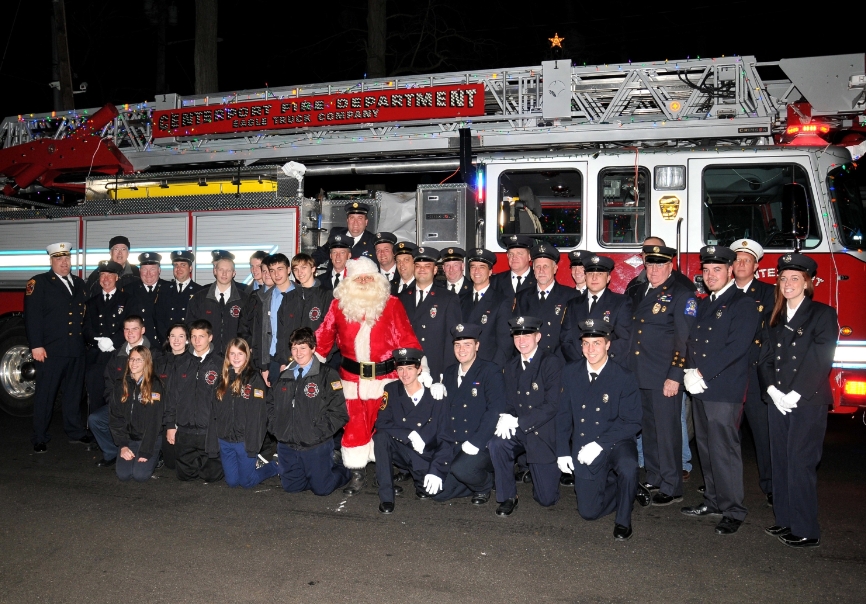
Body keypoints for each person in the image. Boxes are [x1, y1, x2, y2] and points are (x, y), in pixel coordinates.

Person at [315, 257, 423, 495]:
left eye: (368, 277)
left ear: (377, 280)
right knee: (353, 426)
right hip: (351, 380)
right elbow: (323, 337)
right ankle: (356, 473)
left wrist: (419, 369)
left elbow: (405, 336)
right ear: (349, 281)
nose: (364, 282)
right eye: (358, 278)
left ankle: (385, 473)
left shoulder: (392, 304)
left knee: (383, 427)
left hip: (385, 379)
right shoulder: (338, 305)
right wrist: (307, 365)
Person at [681, 245, 760, 536]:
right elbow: (693, 342)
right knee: (705, 447)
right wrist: (689, 370)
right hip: (701, 386)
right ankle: (713, 500)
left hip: (722, 389)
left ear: (730, 271)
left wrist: (701, 372)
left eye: (717, 270)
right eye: (706, 270)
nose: (710, 275)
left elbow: (736, 348)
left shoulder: (743, 304)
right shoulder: (705, 303)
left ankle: (733, 509)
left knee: (724, 450)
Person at [759, 253, 836, 548]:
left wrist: (796, 393)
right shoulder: (773, 318)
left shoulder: (822, 314)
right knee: (780, 461)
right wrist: (773, 392)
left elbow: (821, 357)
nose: (788, 283)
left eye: (795, 278)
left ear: (808, 282)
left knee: (801, 463)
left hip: (807, 401)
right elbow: (764, 359)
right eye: (783, 278)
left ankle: (806, 529)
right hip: (778, 401)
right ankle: (785, 520)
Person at [556, 320, 650, 541]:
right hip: (584, 443)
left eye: (596, 343)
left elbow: (633, 421)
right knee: (588, 513)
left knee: (627, 466)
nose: (590, 350)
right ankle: (626, 489)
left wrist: (599, 444)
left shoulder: (623, 376)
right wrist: (562, 451)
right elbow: (563, 415)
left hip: (616, 442)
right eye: (586, 343)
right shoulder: (570, 372)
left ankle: (623, 519)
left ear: (608, 345)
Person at [627, 244, 696, 507]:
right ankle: (655, 476)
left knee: (668, 433)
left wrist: (675, 376)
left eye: (660, 265)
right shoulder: (642, 290)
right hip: (640, 374)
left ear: (670, 267)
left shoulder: (681, 294)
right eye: (650, 265)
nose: (654, 270)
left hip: (663, 376)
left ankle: (672, 484)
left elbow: (684, 340)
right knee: (650, 431)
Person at [488, 316, 562, 516]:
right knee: (498, 442)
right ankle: (508, 496)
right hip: (520, 429)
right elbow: (511, 402)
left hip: (542, 432)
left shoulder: (551, 362)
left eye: (527, 335)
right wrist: (506, 416)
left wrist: (519, 421)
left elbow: (552, 405)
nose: (521, 341)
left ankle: (538, 471)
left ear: (538, 337)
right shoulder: (511, 366)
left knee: (546, 499)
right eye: (517, 336)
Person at [24, 242, 90, 452]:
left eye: (67, 259)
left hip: (76, 350)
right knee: (46, 395)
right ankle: (40, 436)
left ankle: (75, 431)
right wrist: (36, 345)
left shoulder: (79, 283)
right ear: (51, 261)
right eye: (59, 259)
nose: (64, 263)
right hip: (51, 351)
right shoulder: (39, 282)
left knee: (73, 394)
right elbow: (32, 317)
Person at [268, 328, 350, 495]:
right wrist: (276, 429)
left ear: (313, 348)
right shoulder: (284, 376)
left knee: (322, 489)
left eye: (303, 347)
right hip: (287, 444)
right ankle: (313, 473)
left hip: (315, 444)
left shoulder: (327, 375)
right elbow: (269, 405)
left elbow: (339, 413)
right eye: (294, 348)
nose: (298, 353)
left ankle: (344, 468)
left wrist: (317, 433)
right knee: (292, 488)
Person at [373, 347, 451, 514]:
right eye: (400, 369)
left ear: (419, 369)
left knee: (433, 492)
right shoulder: (392, 390)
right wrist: (409, 434)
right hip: (402, 450)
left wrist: (437, 469)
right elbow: (381, 422)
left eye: (409, 368)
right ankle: (386, 496)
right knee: (381, 437)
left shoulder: (435, 395)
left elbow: (445, 437)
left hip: (425, 455)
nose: (404, 374)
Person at [434, 324, 505, 504]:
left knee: (462, 470)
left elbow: (494, 410)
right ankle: (470, 475)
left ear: (477, 346)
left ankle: (486, 484)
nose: (462, 349)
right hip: (456, 442)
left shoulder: (490, 370)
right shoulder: (449, 372)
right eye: (458, 345)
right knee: (438, 493)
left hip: (480, 442)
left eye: (467, 344)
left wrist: (477, 442)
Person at [730, 238, 775, 506]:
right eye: (737, 259)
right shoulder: (723, 293)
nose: (741, 264)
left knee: (763, 433)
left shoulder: (769, 293)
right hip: (728, 375)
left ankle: (771, 484)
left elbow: (769, 333)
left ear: (756, 265)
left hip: (755, 373)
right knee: (724, 434)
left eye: (746, 260)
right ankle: (720, 483)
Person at [90, 314, 162, 468]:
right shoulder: (117, 354)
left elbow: (160, 386)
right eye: (126, 329)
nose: (130, 333)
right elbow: (108, 381)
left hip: (145, 406)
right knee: (95, 420)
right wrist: (115, 402)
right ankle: (113, 453)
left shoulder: (155, 354)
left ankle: (152, 452)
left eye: (134, 329)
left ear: (143, 330)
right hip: (121, 403)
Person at [164, 319, 224, 482]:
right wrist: (170, 425)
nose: (197, 341)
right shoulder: (181, 363)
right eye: (194, 337)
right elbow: (171, 396)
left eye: (201, 336)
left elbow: (225, 400)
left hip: (209, 431)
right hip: (185, 430)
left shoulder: (220, 364)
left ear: (210, 338)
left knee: (212, 477)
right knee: (185, 476)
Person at [213, 338, 278, 488]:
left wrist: (253, 443)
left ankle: (274, 467)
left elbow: (259, 416)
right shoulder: (222, 379)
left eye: (240, 354)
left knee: (247, 482)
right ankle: (249, 468)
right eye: (232, 354)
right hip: (225, 439)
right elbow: (214, 410)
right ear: (227, 356)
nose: (236, 358)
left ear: (247, 355)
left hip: (245, 440)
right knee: (232, 482)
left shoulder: (254, 379)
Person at [500, 244, 577, 360]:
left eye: (546, 266)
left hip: (559, 361)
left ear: (555, 269)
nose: (541, 271)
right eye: (538, 267)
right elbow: (515, 332)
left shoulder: (570, 296)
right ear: (533, 270)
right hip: (530, 359)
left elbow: (572, 336)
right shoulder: (522, 296)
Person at [399, 246, 463, 379]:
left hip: (435, 367)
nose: (422, 270)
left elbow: (452, 338)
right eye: (418, 266)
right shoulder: (402, 297)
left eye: (427, 266)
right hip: (407, 365)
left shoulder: (448, 298)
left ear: (434, 270)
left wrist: (447, 374)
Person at [560, 254, 632, 365]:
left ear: (608, 278)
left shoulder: (621, 303)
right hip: (578, 366)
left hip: (609, 367)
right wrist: (581, 364)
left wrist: (601, 364)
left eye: (600, 274)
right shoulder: (573, 304)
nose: (594, 278)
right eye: (590, 273)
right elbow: (566, 340)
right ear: (585, 277)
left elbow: (624, 340)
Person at [83, 261, 130, 426]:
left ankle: (118, 432)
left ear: (116, 277)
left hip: (118, 355)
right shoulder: (91, 302)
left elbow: (130, 326)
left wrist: (113, 341)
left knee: (118, 394)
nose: (106, 279)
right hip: (97, 356)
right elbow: (86, 328)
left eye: (110, 275)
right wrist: (98, 341)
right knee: (96, 394)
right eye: (103, 275)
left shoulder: (126, 300)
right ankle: (97, 432)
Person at [109, 346, 164, 482]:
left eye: (139, 360)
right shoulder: (120, 384)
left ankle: (158, 455)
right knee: (123, 475)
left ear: (147, 362)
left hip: (149, 439)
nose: (134, 363)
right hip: (130, 439)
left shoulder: (155, 385)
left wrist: (146, 450)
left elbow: (154, 421)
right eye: (131, 359)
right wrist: (123, 445)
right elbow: (115, 417)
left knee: (140, 476)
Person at [274, 254, 334, 371]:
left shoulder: (326, 296)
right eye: (296, 269)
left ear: (313, 269)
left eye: (303, 268)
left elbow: (332, 330)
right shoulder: (288, 297)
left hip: (317, 359)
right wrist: (283, 360)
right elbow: (281, 332)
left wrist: (321, 356)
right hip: (291, 360)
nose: (299, 272)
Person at [186, 252, 248, 357]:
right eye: (221, 270)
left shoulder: (244, 299)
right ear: (215, 271)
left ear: (234, 273)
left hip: (235, 357)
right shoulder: (199, 298)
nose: (224, 274)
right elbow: (190, 326)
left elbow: (248, 330)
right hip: (206, 356)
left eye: (228, 270)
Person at [459, 248, 509, 367]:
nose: (476, 271)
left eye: (482, 267)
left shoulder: (501, 301)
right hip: (464, 364)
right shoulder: (460, 299)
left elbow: (505, 343)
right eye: (473, 267)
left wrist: (494, 370)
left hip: (488, 365)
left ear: (490, 271)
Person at [251, 253, 294, 386]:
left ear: (288, 270)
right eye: (272, 270)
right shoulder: (263, 298)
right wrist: (263, 367)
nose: (276, 274)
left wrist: (287, 361)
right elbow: (258, 334)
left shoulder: (300, 296)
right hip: (269, 360)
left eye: (280, 269)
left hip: (293, 359)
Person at [154, 323, 190, 471]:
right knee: (171, 464)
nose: (176, 340)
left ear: (187, 340)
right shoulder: (159, 363)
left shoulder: (193, 362)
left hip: (185, 418)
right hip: (163, 417)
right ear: (168, 339)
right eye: (173, 336)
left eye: (181, 336)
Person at [155, 250, 202, 341]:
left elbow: (199, 321)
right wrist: (167, 339)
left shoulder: (199, 291)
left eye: (183, 265)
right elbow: (159, 319)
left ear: (190, 268)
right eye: (176, 265)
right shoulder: (164, 289)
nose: (178, 269)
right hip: (168, 341)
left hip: (189, 342)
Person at [126, 252, 171, 348]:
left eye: (152, 269)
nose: (148, 274)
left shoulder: (169, 288)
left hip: (163, 346)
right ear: (139, 271)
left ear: (159, 270)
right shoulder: (129, 290)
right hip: (139, 346)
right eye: (144, 270)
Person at [312, 202, 378, 266]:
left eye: (360, 218)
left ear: (366, 222)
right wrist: (309, 264)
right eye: (352, 218)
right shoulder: (336, 233)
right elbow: (321, 254)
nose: (355, 223)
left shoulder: (373, 241)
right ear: (347, 220)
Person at [489, 234, 537, 299]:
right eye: (511, 254)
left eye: (519, 254)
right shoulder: (496, 280)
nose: (514, 257)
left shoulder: (538, 278)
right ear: (507, 256)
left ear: (529, 257)